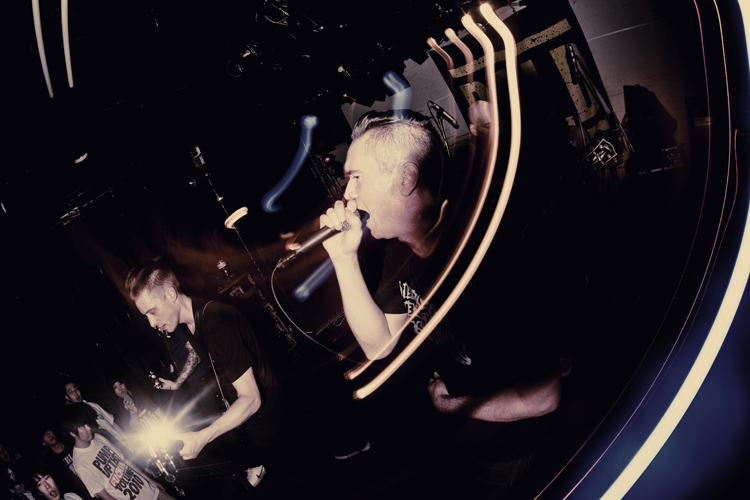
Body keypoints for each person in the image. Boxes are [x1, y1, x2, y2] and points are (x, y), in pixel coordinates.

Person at [319, 109, 564, 497]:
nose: (347, 193)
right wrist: (343, 258)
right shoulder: (398, 254)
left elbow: (542, 398)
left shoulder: (493, 259)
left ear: (405, 178)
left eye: (357, 177)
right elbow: (379, 345)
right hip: (467, 437)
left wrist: (451, 405)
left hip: (516, 448)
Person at [124, 262, 282, 486]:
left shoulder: (216, 322)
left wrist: (202, 437)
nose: (152, 323)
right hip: (252, 419)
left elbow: (251, 398)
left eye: (152, 311)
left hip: (269, 417)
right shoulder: (190, 323)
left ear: (170, 294)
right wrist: (176, 382)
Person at [59, 405, 175, 500]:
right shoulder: (80, 464)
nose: (88, 428)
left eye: (87, 424)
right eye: (82, 426)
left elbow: (125, 462)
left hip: (152, 491)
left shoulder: (98, 438)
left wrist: (150, 481)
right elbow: (107, 498)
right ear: (72, 433)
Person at [63, 383, 132, 454]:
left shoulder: (93, 405)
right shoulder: (74, 419)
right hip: (110, 451)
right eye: (71, 392)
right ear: (67, 397)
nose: (75, 394)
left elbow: (112, 423)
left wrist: (127, 440)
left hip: (122, 443)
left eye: (76, 389)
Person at [39, 427, 92, 500]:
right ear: (44, 443)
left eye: (48, 430)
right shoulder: (52, 464)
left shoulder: (72, 442)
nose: (48, 435)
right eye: (44, 435)